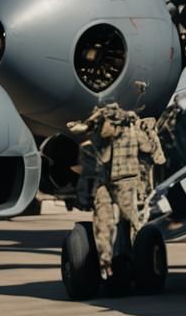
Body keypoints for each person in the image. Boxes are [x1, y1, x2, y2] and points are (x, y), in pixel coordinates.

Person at [68, 102, 159, 279]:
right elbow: (149, 150)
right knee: (106, 221)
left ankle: (129, 259)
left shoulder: (119, 132)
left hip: (123, 181)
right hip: (111, 181)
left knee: (128, 221)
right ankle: (108, 264)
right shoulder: (103, 137)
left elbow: (148, 150)